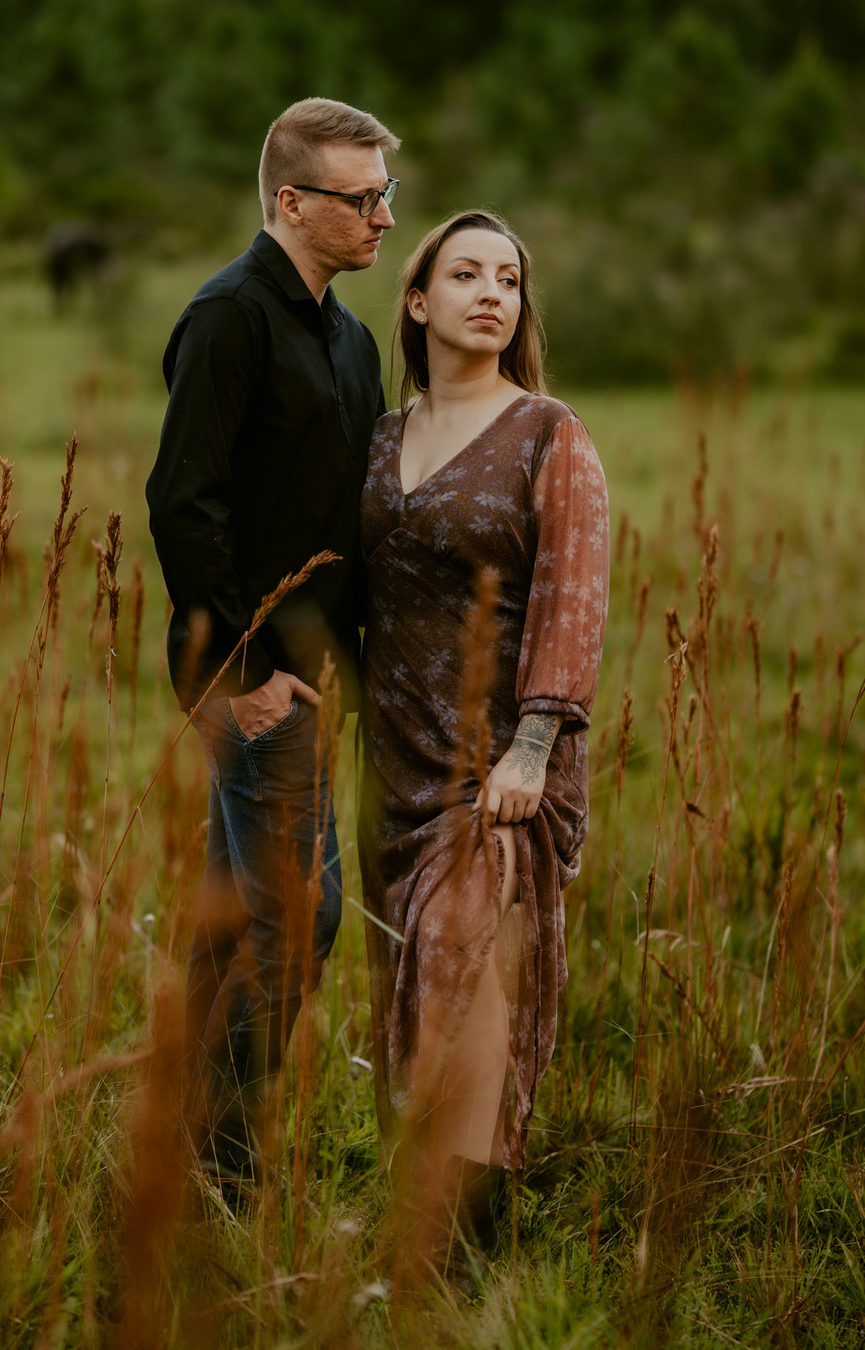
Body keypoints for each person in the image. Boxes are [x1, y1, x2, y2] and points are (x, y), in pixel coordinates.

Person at [146, 97, 400, 1188]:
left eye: (388, 195)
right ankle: (223, 1156)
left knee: (230, 918)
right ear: (291, 202)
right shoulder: (228, 318)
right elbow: (183, 500)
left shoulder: (348, 337)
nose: (384, 218)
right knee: (301, 920)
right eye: (362, 198)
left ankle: (178, 1124)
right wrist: (241, 675)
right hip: (257, 679)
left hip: (319, 674)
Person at [357, 209, 609, 1277]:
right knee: (412, 984)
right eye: (465, 274)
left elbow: (573, 593)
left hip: (500, 765)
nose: (491, 293)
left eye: (508, 277)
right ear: (418, 302)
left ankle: (463, 1249)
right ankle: (432, 1212)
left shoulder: (549, 432)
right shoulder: (378, 439)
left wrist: (533, 746)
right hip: (394, 760)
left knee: (470, 978)